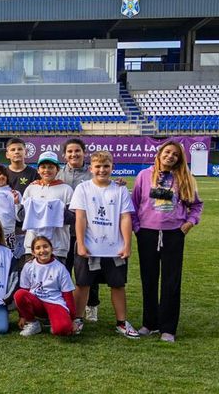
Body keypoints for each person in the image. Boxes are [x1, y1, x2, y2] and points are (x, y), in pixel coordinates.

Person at [132, 141, 203, 342]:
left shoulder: (184, 178)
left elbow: (196, 205)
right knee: (149, 279)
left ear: (179, 159)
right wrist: (138, 228)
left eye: (175, 154)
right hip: (147, 234)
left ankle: (168, 328)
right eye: (167, 152)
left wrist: (189, 224)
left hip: (173, 234)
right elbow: (134, 203)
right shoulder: (144, 176)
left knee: (171, 281)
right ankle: (149, 323)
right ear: (160, 153)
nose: (170, 156)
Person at [70, 150, 139, 338]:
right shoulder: (83, 188)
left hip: (114, 248)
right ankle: (77, 319)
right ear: (91, 168)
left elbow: (125, 217)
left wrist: (127, 244)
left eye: (106, 166)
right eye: (98, 166)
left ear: (112, 168)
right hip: (90, 247)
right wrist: (81, 243)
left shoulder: (120, 190)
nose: (102, 170)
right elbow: (80, 218)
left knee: (118, 285)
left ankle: (122, 323)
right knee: (82, 284)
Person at [56, 137, 101, 322]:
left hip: (90, 232)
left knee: (90, 271)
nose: (74, 154)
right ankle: (64, 304)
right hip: (64, 232)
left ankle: (92, 305)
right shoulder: (58, 174)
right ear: (64, 155)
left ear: (84, 152)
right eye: (70, 151)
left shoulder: (93, 174)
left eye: (77, 151)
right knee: (64, 270)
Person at [15, 236, 77, 337]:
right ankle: (33, 324)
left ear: (51, 249)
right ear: (33, 252)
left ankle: (56, 322)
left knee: (63, 330)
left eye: (45, 246)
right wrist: (22, 316)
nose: (42, 250)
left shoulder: (60, 268)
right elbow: (24, 289)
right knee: (19, 294)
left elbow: (68, 295)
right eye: (38, 248)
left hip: (55, 303)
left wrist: (73, 319)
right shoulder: (28, 266)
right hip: (36, 302)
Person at [21, 151, 74, 264]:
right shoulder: (31, 188)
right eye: (43, 167)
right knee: (31, 279)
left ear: (57, 169)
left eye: (51, 167)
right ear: (38, 170)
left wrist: (54, 209)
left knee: (57, 279)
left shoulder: (66, 189)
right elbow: (21, 216)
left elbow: (73, 217)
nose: (46, 170)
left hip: (58, 247)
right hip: (32, 246)